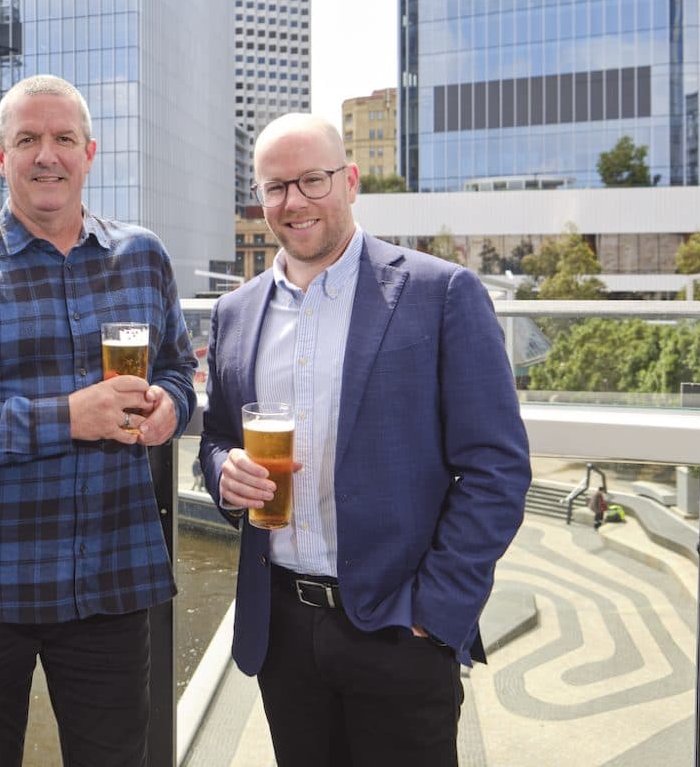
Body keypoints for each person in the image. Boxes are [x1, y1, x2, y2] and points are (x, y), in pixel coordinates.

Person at [199, 112, 531, 767]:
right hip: (283, 630)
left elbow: (496, 470)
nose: (293, 202)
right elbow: (214, 439)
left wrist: (432, 613)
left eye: (311, 180)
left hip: (397, 629)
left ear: (348, 181)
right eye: (274, 187)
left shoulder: (441, 293)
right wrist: (222, 475)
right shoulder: (234, 314)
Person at [0, 74, 197, 767]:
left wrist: (171, 408)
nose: (45, 155)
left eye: (62, 139)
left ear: (90, 153)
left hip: (112, 581)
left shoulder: (142, 257)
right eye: (26, 139)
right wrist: (66, 418)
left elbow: (180, 372)